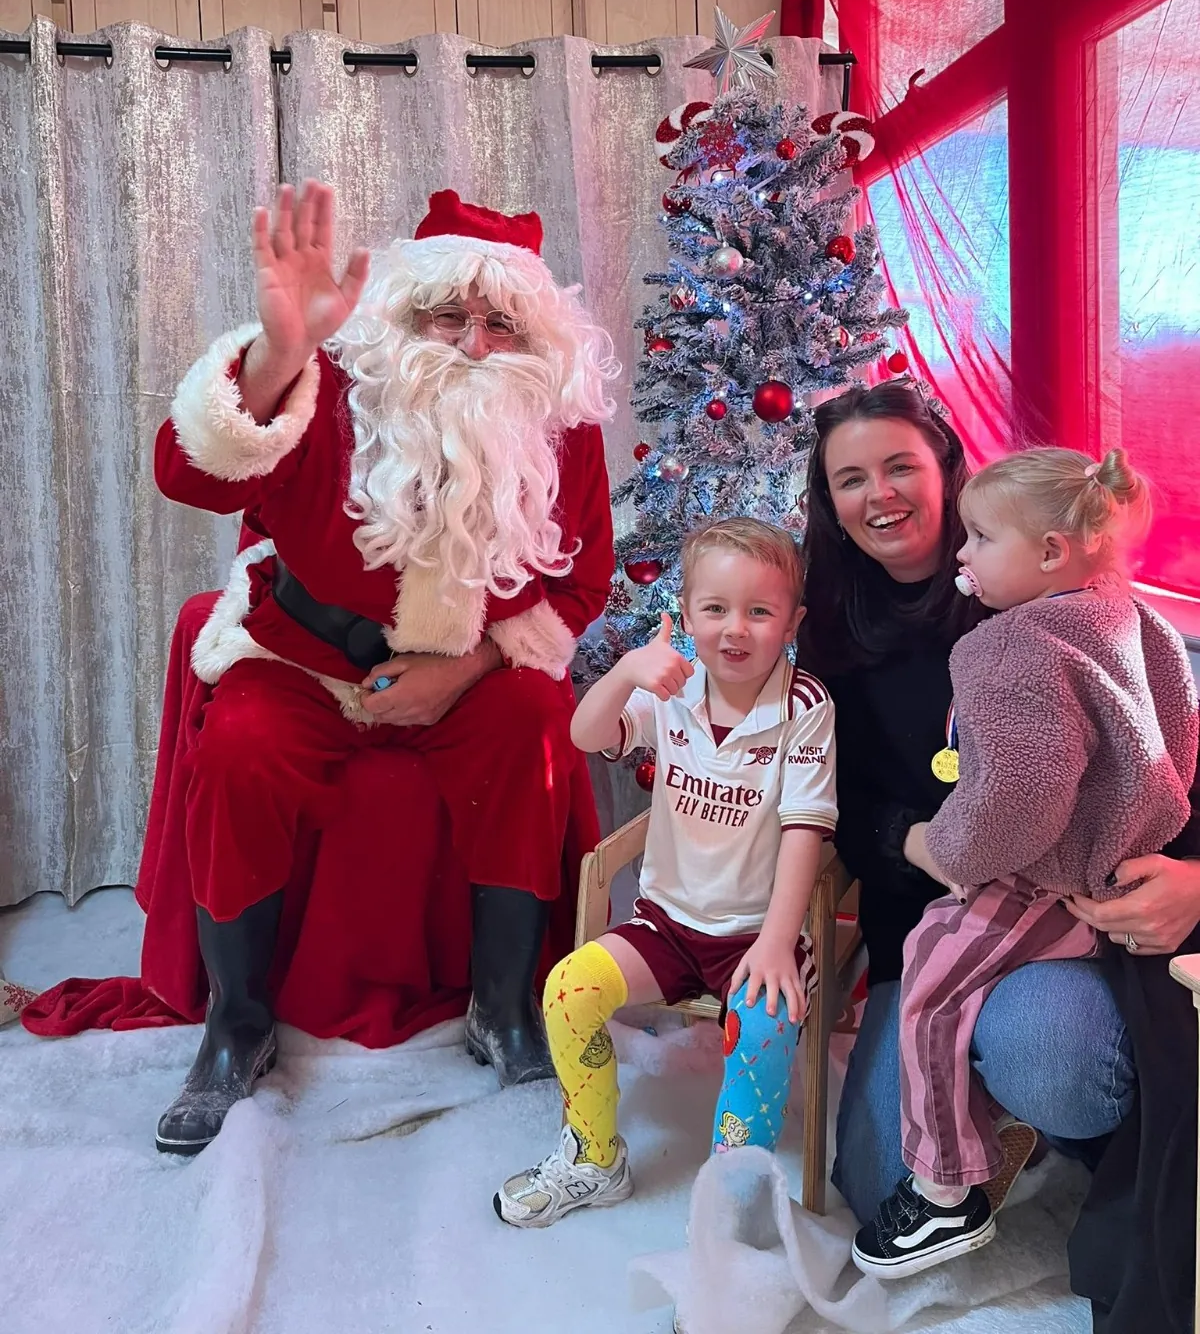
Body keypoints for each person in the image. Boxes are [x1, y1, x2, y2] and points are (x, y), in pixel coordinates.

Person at [150, 180, 617, 1155]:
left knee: (536, 729)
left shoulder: (560, 428)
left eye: (501, 321)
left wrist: (471, 665)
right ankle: (236, 1028)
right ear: (402, 315)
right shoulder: (327, 391)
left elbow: (580, 587)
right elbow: (186, 472)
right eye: (450, 315)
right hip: (302, 657)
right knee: (237, 746)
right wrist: (279, 352)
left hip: (465, 668)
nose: (475, 344)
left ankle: (503, 1007)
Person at [795, 381, 1200, 1330]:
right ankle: (979, 1122)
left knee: (1055, 1057)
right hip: (942, 904)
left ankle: (1046, 1121)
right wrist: (917, 843)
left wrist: (1192, 879)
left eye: (901, 465)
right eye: (851, 478)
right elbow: (833, 806)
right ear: (832, 504)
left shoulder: (1056, 616)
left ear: (947, 472)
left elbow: (1168, 751)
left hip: (1074, 912)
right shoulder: (828, 635)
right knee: (871, 1177)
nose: (879, 493)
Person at [493, 519, 836, 1228]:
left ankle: (729, 1205)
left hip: (755, 935)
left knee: (767, 1029)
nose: (734, 630)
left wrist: (778, 943)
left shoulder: (806, 707)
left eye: (760, 611)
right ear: (685, 617)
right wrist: (624, 673)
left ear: (793, 622)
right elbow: (585, 736)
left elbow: (807, 829)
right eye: (714, 610)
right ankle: (595, 1157)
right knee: (567, 991)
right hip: (665, 924)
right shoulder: (674, 691)